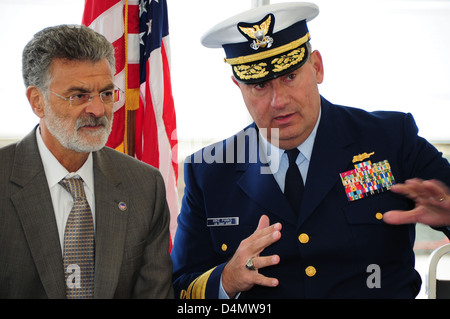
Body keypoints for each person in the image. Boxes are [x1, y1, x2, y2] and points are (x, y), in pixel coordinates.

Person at [171, 2, 450, 299]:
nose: (279, 100)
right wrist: (226, 279)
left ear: (316, 67)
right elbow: (180, 290)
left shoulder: (391, 138)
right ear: (238, 85)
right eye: (260, 85)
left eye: (290, 77)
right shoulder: (209, 172)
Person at [0, 24, 174, 298]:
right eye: (78, 95)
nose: (97, 109)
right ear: (37, 101)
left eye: (105, 94)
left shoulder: (144, 185)